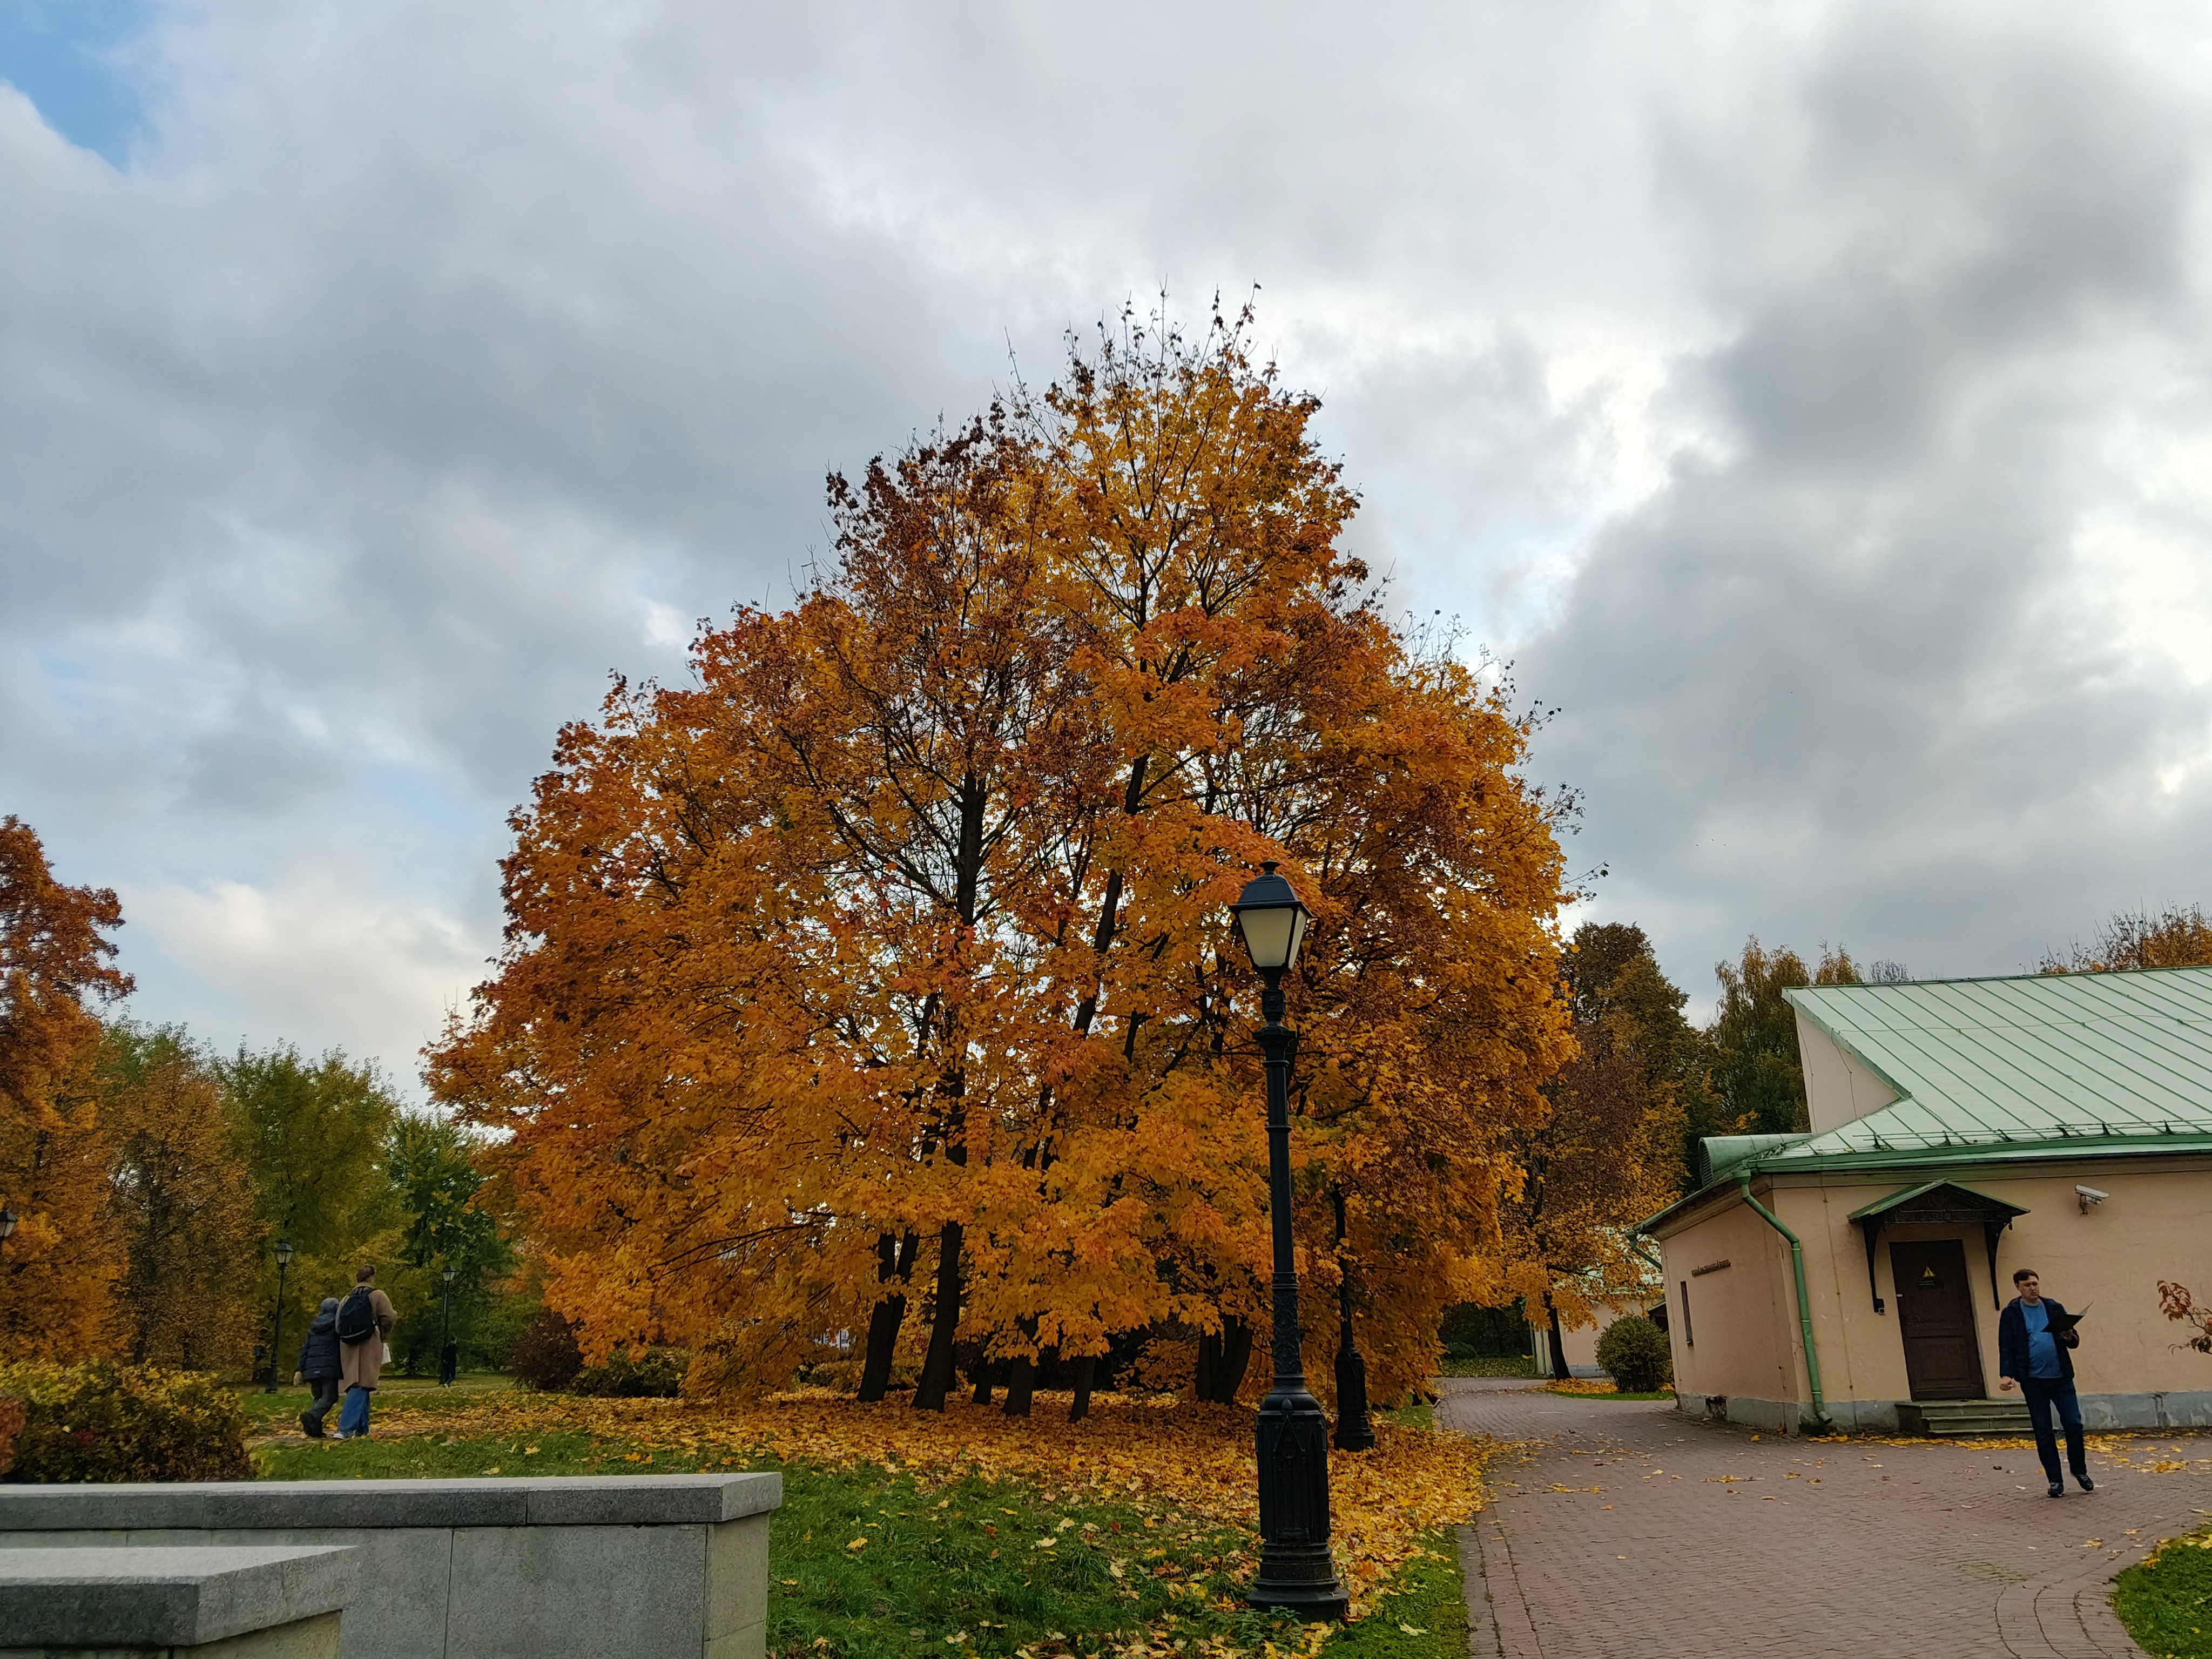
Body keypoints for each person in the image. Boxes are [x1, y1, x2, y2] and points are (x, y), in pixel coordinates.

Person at [1997, 1267, 2092, 1498]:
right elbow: (2006, 1346)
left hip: (2061, 1378)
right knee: (2043, 1431)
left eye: (2035, 1284)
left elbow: (2073, 1341)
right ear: (2018, 1287)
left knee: (2074, 1423)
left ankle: (2080, 1471)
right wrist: (2006, 1376)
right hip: (2033, 1381)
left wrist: (2069, 1336)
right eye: (2028, 1285)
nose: (2033, 1288)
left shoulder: (2053, 1307)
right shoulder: (2011, 1314)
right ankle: (2055, 1481)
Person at [333, 1264, 397, 1440]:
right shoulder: (378, 1295)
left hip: (348, 1345)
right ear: (372, 1277)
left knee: (358, 1383)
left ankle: (363, 1429)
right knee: (361, 1385)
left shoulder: (346, 1298)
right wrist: (382, 1334)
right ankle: (345, 1429)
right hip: (369, 1343)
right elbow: (389, 1317)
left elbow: (338, 1324)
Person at [296, 1296, 343, 1439]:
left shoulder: (314, 1326)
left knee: (318, 1398)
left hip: (311, 1368)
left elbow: (305, 1349)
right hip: (329, 1367)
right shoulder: (337, 1325)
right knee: (330, 1397)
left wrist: (301, 1369)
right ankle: (311, 1415)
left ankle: (314, 1430)